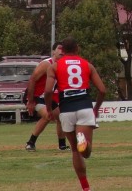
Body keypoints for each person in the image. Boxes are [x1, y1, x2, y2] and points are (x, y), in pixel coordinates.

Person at [45, 37, 106, 191]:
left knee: (74, 151)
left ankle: (85, 187)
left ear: (62, 51)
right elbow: (102, 90)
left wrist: (48, 109)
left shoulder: (55, 66)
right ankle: (82, 141)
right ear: (77, 49)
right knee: (86, 152)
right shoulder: (88, 65)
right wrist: (96, 108)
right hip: (84, 107)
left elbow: (47, 91)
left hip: (66, 110)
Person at [24, 42, 69, 151]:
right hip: (36, 96)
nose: (62, 51)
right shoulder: (47, 64)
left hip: (48, 98)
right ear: (53, 51)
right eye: (59, 48)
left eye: (64, 49)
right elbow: (32, 79)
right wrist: (30, 101)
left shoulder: (63, 65)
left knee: (61, 117)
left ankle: (62, 145)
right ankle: (30, 143)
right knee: (48, 116)